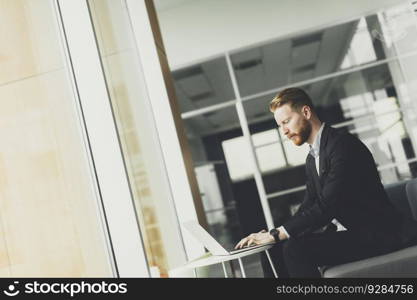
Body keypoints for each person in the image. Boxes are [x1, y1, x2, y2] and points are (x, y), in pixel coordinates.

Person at [234, 87, 417, 277]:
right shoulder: (312, 158)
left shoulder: (342, 146)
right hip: (349, 234)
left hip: (377, 234)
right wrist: (272, 235)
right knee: (271, 250)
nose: (284, 132)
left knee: (295, 249)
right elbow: (308, 205)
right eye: (280, 125)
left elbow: (327, 206)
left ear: (306, 112)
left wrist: (276, 234)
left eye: (286, 122)